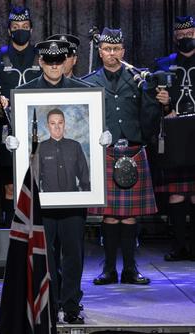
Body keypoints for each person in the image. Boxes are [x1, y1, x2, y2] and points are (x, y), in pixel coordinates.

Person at [7, 38, 98, 324]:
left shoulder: (85, 93)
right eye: (49, 61)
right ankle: (47, 303)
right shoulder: (24, 94)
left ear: (67, 61)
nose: (55, 66)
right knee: (44, 255)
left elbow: (85, 169)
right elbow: (22, 151)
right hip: (42, 202)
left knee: (73, 255)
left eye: (60, 61)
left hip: (73, 201)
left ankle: (71, 306)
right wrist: (10, 143)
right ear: (41, 62)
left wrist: (100, 140)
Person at [82, 27, 168, 286]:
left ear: (123, 51)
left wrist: (160, 101)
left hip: (133, 149)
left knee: (130, 215)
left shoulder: (138, 78)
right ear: (100, 52)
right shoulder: (90, 82)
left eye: (116, 49)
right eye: (107, 50)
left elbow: (149, 115)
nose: (112, 54)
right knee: (109, 215)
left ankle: (130, 269)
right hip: (105, 152)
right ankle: (108, 269)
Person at [0, 6, 42, 225]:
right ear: (9, 30)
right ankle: (12, 233)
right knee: (9, 185)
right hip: (6, 128)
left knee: (37, 180)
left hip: (37, 127)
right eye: (16, 27)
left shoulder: (41, 56)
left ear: (31, 29)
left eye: (25, 27)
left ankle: (36, 231)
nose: (21, 30)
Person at [153, 15, 195, 261]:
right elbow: (152, 100)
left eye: (190, 32)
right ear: (174, 37)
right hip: (174, 131)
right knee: (176, 193)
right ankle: (179, 246)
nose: (185, 37)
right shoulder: (162, 64)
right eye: (181, 34)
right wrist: (166, 107)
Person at [38, 108, 90, 193]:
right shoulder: (40, 148)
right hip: (48, 200)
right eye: (52, 123)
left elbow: (84, 177)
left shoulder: (75, 146)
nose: (57, 127)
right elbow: (35, 179)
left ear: (64, 124)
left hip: (72, 198)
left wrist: (85, 197)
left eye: (60, 123)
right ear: (48, 126)